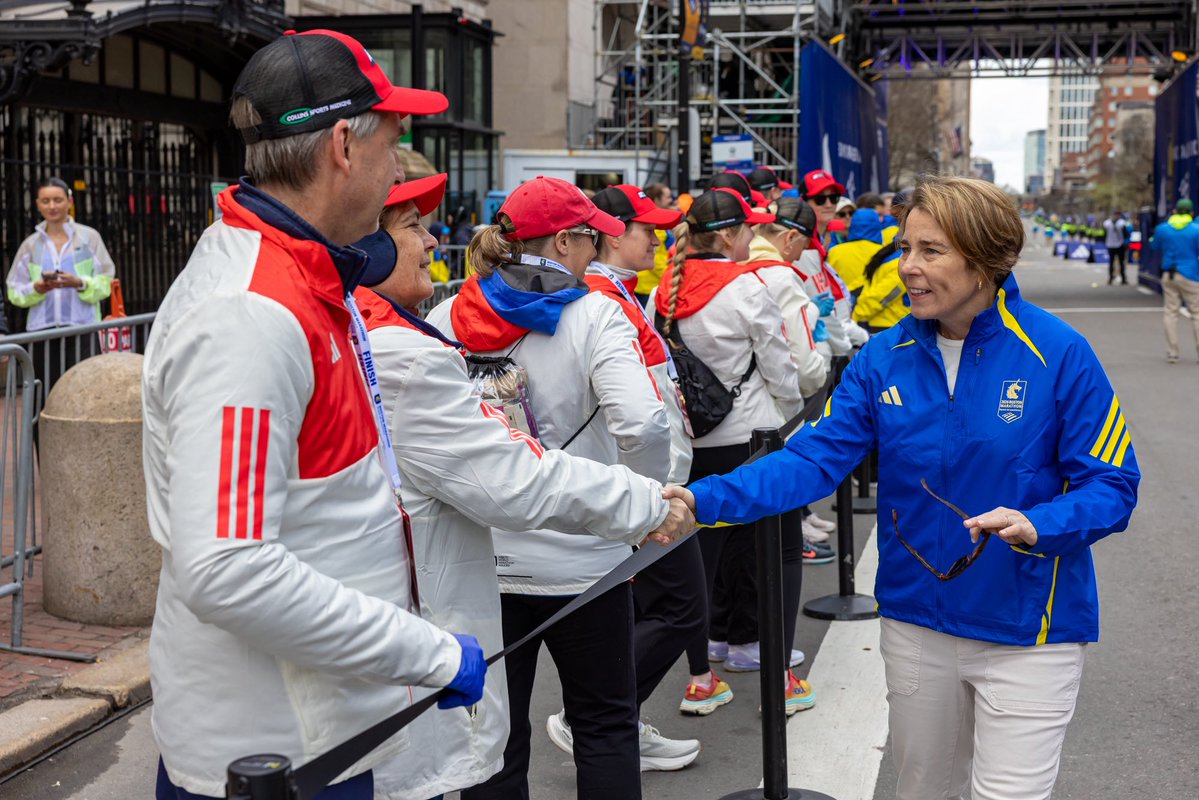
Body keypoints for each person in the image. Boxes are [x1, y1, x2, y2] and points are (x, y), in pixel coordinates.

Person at [668, 175, 1140, 800]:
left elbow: (1112, 483)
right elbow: (811, 460)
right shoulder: (881, 358)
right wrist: (702, 499)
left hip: (1030, 629)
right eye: (905, 247)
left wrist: (1038, 525)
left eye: (930, 250)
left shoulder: (1060, 353)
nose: (907, 266)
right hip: (917, 622)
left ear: (987, 259)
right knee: (921, 790)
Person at [142, 30, 487, 800]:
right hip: (277, 755)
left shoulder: (293, 279)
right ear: (343, 146)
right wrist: (429, 653)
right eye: (392, 144)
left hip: (314, 732)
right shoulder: (251, 314)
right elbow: (226, 568)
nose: (396, 169)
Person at [347, 176, 693, 800]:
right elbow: (643, 423)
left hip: (483, 560)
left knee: (495, 743)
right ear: (562, 242)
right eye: (589, 238)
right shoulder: (596, 313)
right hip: (587, 557)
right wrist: (644, 502)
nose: (594, 251)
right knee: (605, 726)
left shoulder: (446, 314)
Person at [534, 182, 705, 771]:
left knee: (659, 606)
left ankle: (613, 718)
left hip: (628, 492)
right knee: (682, 606)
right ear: (605, 235)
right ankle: (600, 718)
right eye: (645, 229)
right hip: (631, 494)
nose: (656, 240)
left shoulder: (618, 295)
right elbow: (638, 418)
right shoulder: (597, 301)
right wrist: (652, 496)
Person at [648, 188, 808, 715]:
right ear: (728, 235)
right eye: (747, 230)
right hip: (754, 438)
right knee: (779, 551)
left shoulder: (662, 292)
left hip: (693, 443)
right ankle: (780, 675)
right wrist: (791, 418)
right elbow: (781, 368)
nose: (751, 238)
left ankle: (702, 674)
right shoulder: (747, 288)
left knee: (701, 562)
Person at [7, 176, 115, 399]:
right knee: (44, 396)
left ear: (70, 201)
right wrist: (37, 288)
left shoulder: (89, 238)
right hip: (42, 333)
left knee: (85, 395)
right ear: (37, 204)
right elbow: (14, 290)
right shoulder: (30, 245)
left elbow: (106, 281)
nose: (52, 206)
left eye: (58, 200)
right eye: (45, 201)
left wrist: (80, 283)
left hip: (82, 329)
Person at [797, 169, 871, 359]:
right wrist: (848, 345)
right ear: (804, 202)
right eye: (820, 199)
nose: (829, 204)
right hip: (821, 354)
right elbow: (826, 314)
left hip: (832, 348)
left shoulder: (817, 248)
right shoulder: (805, 250)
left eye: (834, 197)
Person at [1150, 198, 1199, 363]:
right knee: (1197, 313)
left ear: (1175, 211)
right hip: (1191, 274)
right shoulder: (1196, 229)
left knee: (1171, 313)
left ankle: (1173, 352)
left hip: (1169, 274)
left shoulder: (1163, 229)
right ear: (1191, 213)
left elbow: (1154, 245)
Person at [635, 182, 680, 304]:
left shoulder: (656, 223)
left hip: (648, 284)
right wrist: (671, 277)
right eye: (668, 197)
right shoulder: (655, 225)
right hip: (649, 287)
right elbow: (657, 258)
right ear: (656, 199)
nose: (671, 200)